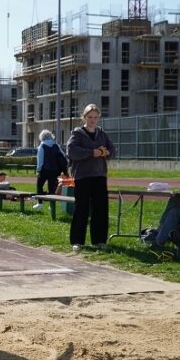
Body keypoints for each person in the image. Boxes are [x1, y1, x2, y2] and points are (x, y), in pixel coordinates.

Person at [66, 103, 115, 252]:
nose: (93, 120)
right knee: (81, 208)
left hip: (100, 175)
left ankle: (99, 240)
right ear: (84, 117)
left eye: (95, 117)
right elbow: (71, 151)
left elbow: (113, 150)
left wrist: (106, 152)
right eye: (90, 117)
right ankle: (77, 241)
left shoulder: (102, 134)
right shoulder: (77, 134)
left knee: (100, 209)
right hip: (83, 176)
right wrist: (90, 152)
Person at [34, 130, 69, 210]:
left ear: (41, 137)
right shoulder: (56, 145)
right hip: (55, 170)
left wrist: (38, 170)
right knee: (52, 188)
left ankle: (40, 204)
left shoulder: (42, 146)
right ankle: (51, 205)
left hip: (44, 170)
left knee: (39, 186)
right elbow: (63, 157)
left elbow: (40, 160)